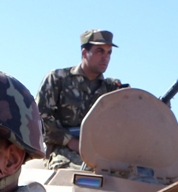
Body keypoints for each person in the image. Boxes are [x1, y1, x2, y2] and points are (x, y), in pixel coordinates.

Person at [37, 29, 127, 169]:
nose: (106, 57)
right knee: (77, 176)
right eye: (100, 51)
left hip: (101, 153)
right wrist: (70, 141)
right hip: (63, 150)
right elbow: (40, 117)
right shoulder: (58, 79)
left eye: (109, 52)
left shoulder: (113, 88)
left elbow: (132, 117)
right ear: (84, 53)